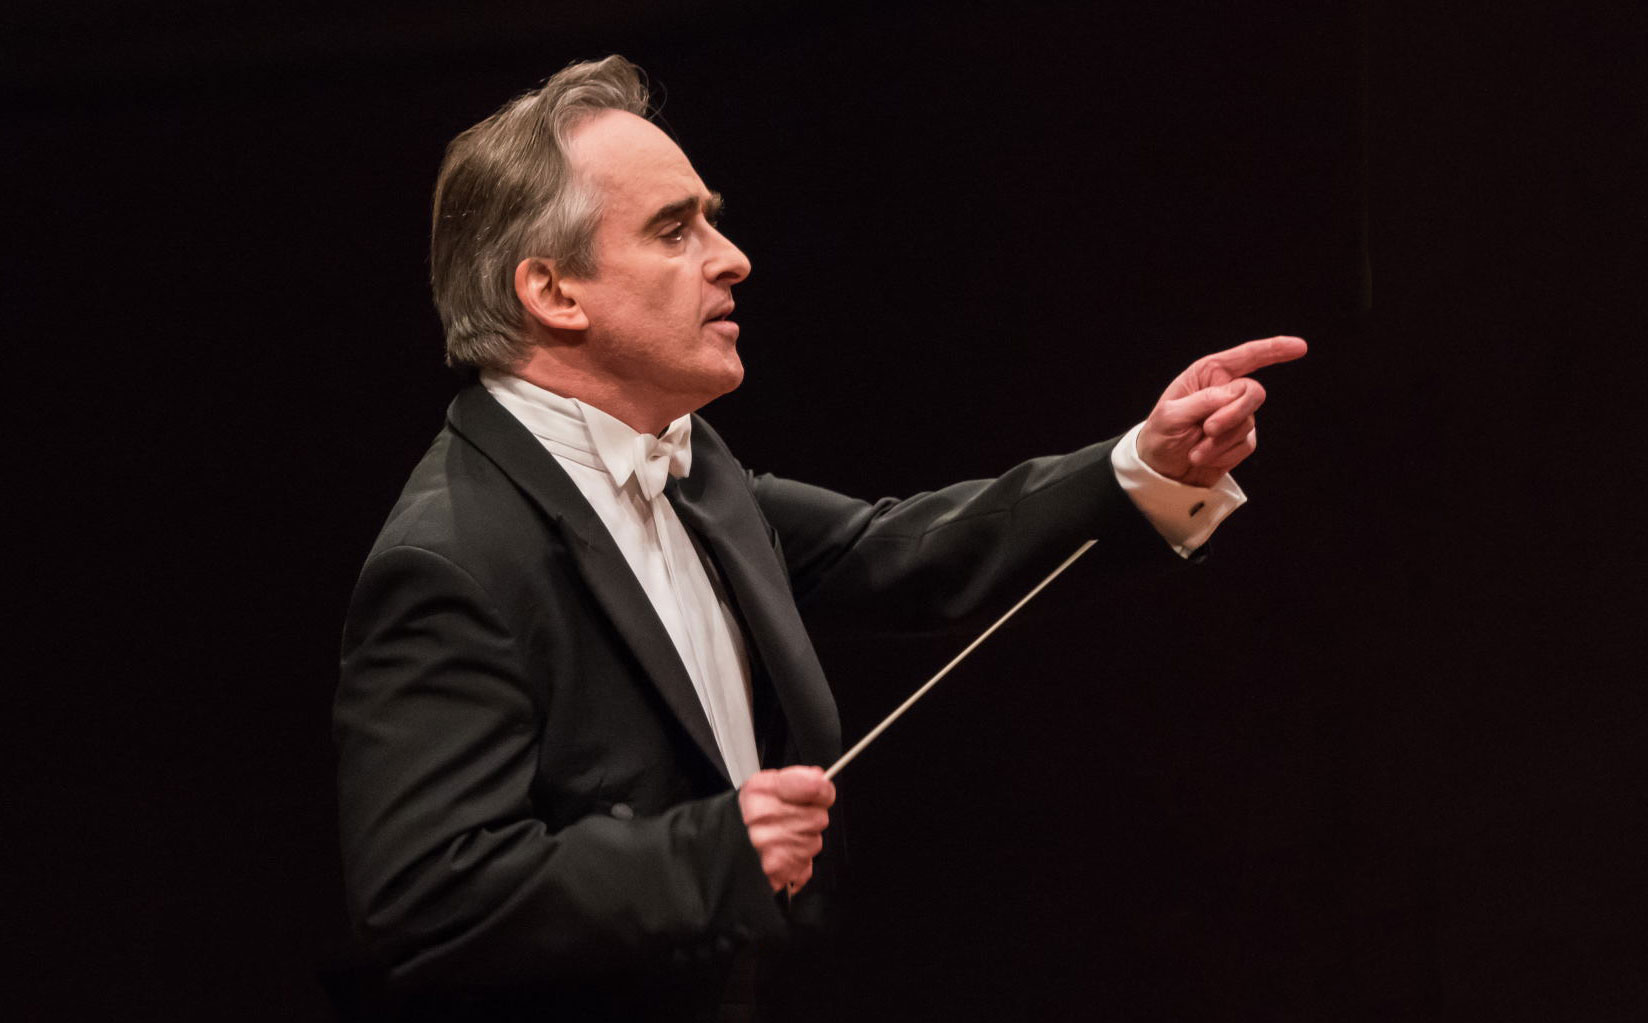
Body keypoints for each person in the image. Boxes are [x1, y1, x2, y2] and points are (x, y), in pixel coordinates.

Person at [333, 55, 1306, 1020]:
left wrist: (1143, 465)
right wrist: (713, 853)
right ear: (553, 292)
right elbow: (427, 896)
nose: (732, 257)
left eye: (710, 219)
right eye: (675, 229)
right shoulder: (451, 556)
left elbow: (889, 551)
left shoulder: (689, 459)